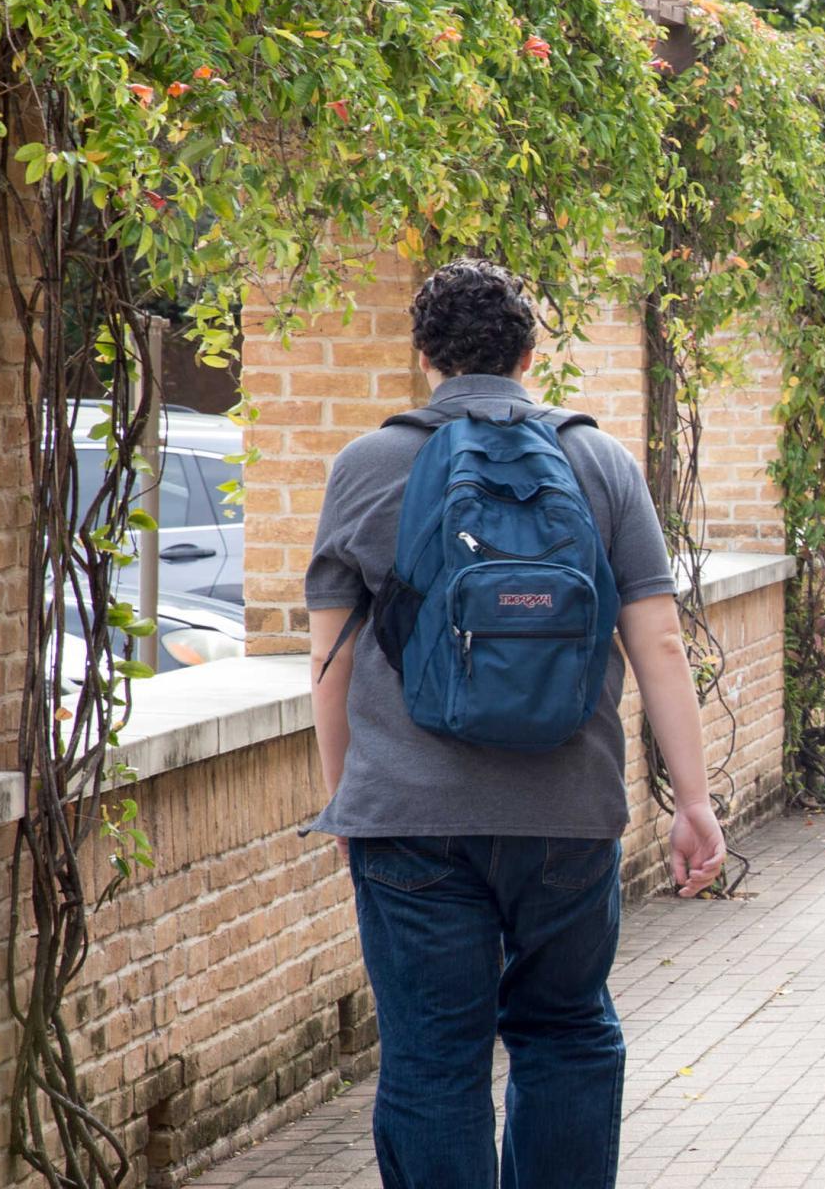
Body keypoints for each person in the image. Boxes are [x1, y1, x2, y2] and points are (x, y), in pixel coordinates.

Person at [304, 258, 727, 1188]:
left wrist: (348, 802)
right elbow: (657, 641)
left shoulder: (368, 466)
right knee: (568, 1033)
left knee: (431, 1059)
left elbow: (328, 663)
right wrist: (691, 800)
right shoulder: (597, 460)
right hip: (566, 815)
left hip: (408, 821)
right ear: (533, 354)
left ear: (425, 357)